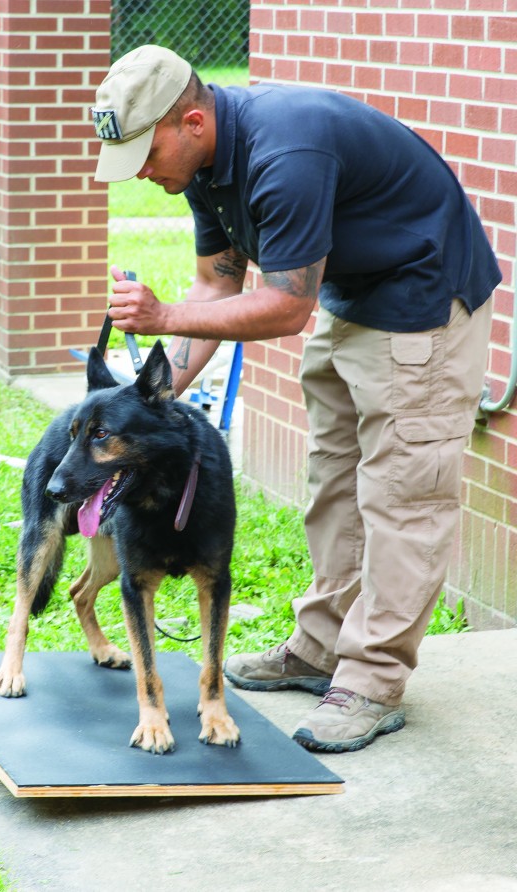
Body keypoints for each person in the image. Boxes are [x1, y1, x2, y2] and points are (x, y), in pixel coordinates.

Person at [91, 45, 501, 753]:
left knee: (403, 493)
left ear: (191, 120)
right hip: (353, 294)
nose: (143, 173)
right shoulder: (202, 167)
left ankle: (371, 681)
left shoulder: (287, 152)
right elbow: (218, 286)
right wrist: (138, 406)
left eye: (145, 153)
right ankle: (321, 646)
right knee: (333, 478)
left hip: (425, 299)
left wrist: (159, 320)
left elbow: (282, 309)